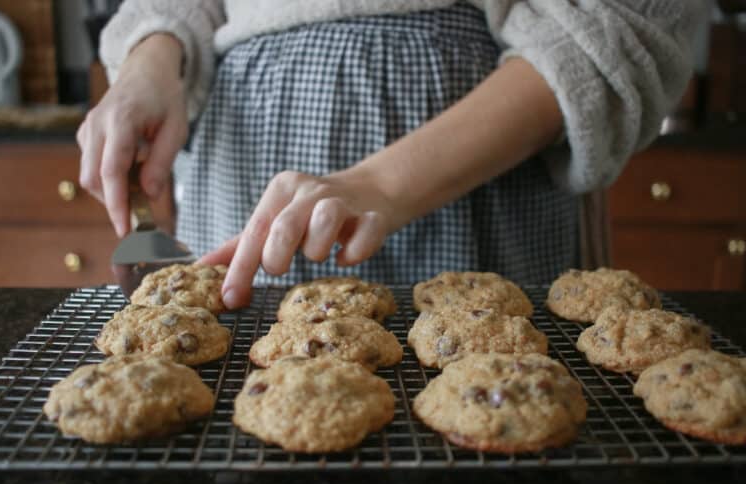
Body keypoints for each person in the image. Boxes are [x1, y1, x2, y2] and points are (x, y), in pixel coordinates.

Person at [78, 0, 702, 310]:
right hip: (237, 179)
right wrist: (150, 61)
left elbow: (619, 21)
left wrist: (382, 183)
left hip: (478, 175)